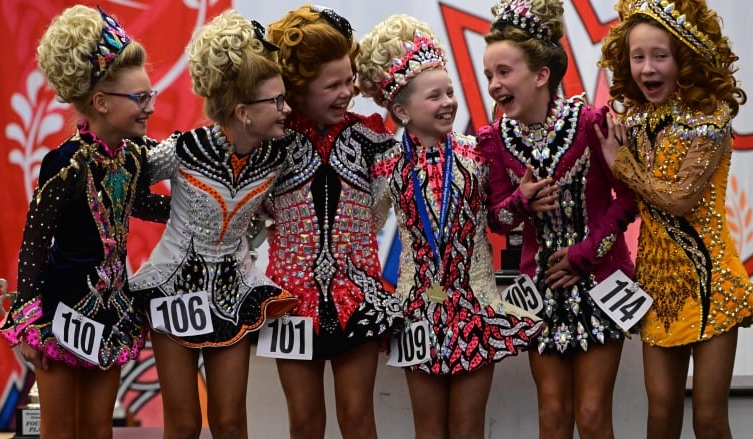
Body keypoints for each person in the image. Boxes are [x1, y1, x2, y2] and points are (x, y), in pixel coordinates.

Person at [355, 14, 546, 438]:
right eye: (433, 96)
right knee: (429, 431)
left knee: (467, 429)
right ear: (401, 110)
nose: (447, 103)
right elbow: (363, 226)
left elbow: (502, 218)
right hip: (417, 312)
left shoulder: (478, 154)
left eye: (450, 92)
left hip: (475, 304)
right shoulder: (387, 166)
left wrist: (523, 199)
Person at [0, 5, 169, 438]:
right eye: (141, 98)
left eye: (151, 96)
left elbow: (139, 204)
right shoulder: (64, 164)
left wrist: (195, 212)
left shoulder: (133, 157)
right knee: (59, 430)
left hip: (111, 312)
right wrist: (29, 320)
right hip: (61, 313)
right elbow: (35, 242)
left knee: (97, 429)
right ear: (101, 102)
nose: (150, 107)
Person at [128, 9, 298, 439]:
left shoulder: (278, 155)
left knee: (230, 423)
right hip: (172, 288)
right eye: (276, 101)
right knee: (184, 424)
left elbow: (269, 212)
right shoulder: (185, 149)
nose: (287, 109)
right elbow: (125, 184)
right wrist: (174, 216)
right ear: (243, 111)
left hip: (231, 289)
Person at [477, 0, 638, 438]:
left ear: (541, 74)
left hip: (601, 282)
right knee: (551, 417)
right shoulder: (493, 140)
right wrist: (522, 200)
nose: (493, 84)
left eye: (504, 72)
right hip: (541, 290)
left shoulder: (592, 123)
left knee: (590, 416)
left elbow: (626, 201)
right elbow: (499, 220)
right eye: (488, 74)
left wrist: (584, 255)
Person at [599, 1, 753, 437]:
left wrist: (623, 164)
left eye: (659, 56)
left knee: (708, 419)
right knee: (660, 418)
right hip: (656, 286)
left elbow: (679, 200)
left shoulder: (710, 119)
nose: (647, 68)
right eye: (637, 57)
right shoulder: (632, 121)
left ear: (684, 58)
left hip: (711, 283)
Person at [262, 5, 403, 438]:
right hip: (289, 300)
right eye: (334, 85)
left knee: (359, 419)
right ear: (298, 90)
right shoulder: (273, 143)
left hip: (358, 294)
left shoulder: (372, 137)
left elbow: (392, 202)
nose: (348, 93)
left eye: (350, 80)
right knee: (304, 424)